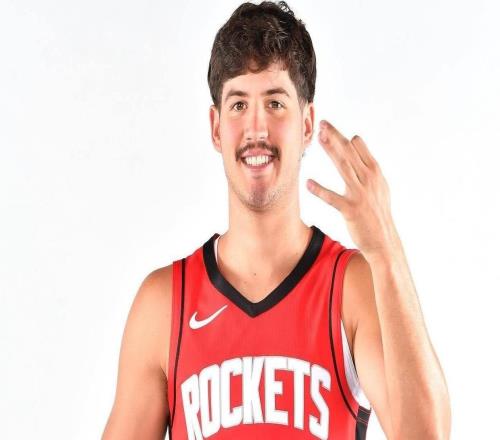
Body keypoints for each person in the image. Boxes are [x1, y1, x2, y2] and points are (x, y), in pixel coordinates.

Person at [102, 1, 451, 439]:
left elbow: (427, 434)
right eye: (238, 104)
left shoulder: (350, 288)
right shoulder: (164, 305)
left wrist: (386, 249)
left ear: (307, 123)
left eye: (275, 103)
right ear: (215, 127)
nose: (257, 129)